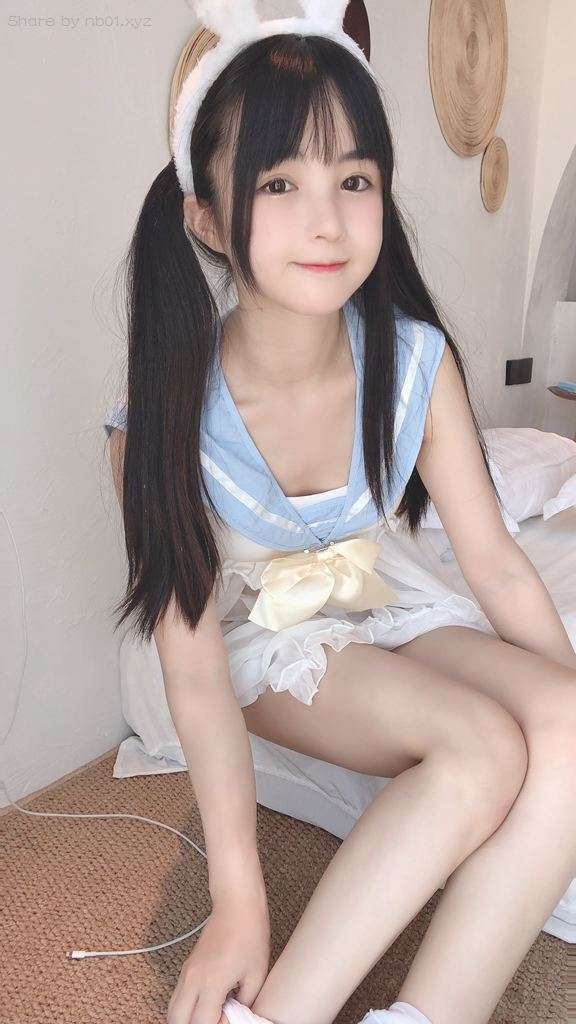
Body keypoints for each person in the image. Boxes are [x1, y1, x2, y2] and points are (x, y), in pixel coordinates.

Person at [103, 3, 576, 1024]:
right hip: (266, 641)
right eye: (279, 184)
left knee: (568, 726)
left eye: (353, 180)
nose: (327, 221)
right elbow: (193, 666)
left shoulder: (414, 361)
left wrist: (564, 691)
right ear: (205, 217)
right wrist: (239, 895)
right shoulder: (163, 419)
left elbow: (494, 564)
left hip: (392, 601)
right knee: (483, 748)